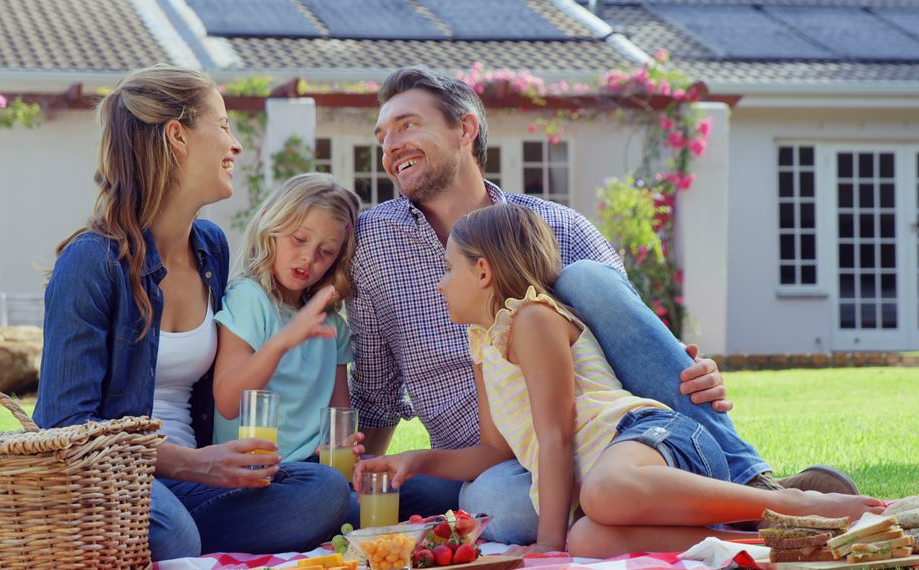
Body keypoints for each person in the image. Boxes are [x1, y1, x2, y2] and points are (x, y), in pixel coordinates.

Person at [347, 65, 858, 544]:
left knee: (586, 278)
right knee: (497, 506)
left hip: (601, 432)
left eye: (406, 126)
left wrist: (691, 367)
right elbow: (374, 394)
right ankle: (725, 519)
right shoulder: (372, 242)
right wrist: (358, 478)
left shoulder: (555, 227)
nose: (391, 147)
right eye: (383, 137)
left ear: (465, 129)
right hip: (494, 460)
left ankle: (754, 485)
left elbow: (630, 334)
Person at [355, 203, 884, 556]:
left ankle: (796, 504)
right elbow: (493, 450)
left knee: (599, 500)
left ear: (485, 273)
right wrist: (416, 459)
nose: (441, 284)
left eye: (449, 270)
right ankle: (765, 539)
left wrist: (547, 546)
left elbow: (557, 437)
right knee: (589, 539)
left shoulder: (533, 319)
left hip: (648, 438)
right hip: (613, 475)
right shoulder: (484, 343)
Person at [32, 65, 348, 561]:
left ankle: (189, 539)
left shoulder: (210, 250)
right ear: (178, 136)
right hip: (113, 486)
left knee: (325, 489)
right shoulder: (92, 263)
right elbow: (64, 426)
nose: (235, 144)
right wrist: (194, 465)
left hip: (197, 485)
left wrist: (216, 467)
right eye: (222, 125)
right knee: (174, 532)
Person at [212, 173, 361, 463]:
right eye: (299, 239)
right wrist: (284, 340)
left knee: (428, 486)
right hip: (257, 470)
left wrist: (345, 451)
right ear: (271, 226)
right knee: (327, 491)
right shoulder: (249, 299)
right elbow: (228, 403)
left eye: (326, 251)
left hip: (318, 471)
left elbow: (338, 422)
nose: (308, 257)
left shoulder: (332, 327)